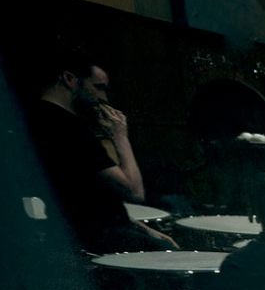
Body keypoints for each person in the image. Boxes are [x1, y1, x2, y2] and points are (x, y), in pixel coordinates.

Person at [21, 55, 174, 252]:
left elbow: (89, 198)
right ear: (69, 79)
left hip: (82, 232)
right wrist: (120, 136)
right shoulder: (68, 128)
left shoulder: (35, 118)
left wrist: (144, 229)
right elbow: (134, 192)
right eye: (98, 87)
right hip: (98, 238)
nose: (104, 98)